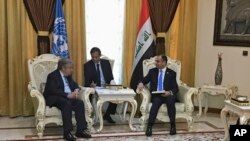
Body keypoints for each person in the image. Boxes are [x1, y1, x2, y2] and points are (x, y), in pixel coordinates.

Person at [43, 58, 91, 141]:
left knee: (80, 103)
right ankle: (67, 132)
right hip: (55, 97)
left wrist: (76, 90)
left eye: (72, 68)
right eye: (70, 68)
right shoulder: (52, 76)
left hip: (67, 97)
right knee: (66, 104)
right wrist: (68, 95)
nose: (72, 70)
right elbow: (53, 90)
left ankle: (80, 130)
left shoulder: (68, 76)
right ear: (63, 68)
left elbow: (75, 85)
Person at [137, 55, 179, 136]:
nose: (155, 63)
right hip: (157, 95)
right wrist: (141, 83)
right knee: (155, 103)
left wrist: (169, 92)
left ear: (164, 63)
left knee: (170, 101)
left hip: (167, 95)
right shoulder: (152, 71)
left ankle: (173, 126)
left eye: (158, 61)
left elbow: (175, 88)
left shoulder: (172, 73)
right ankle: (149, 127)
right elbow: (143, 80)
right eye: (155, 61)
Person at [84, 47, 117, 123]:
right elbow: (87, 82)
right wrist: (90, 84)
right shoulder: (87, 65)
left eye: (96, 57)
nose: (94, 59)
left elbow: (110, 77)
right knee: (88, 94)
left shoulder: (106, 63)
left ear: (100, 55)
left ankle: (107, 115)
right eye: (93, 57)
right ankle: (90, 115)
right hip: (95, 87)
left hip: (106, 86)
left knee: (116, 95)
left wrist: (112, 83)